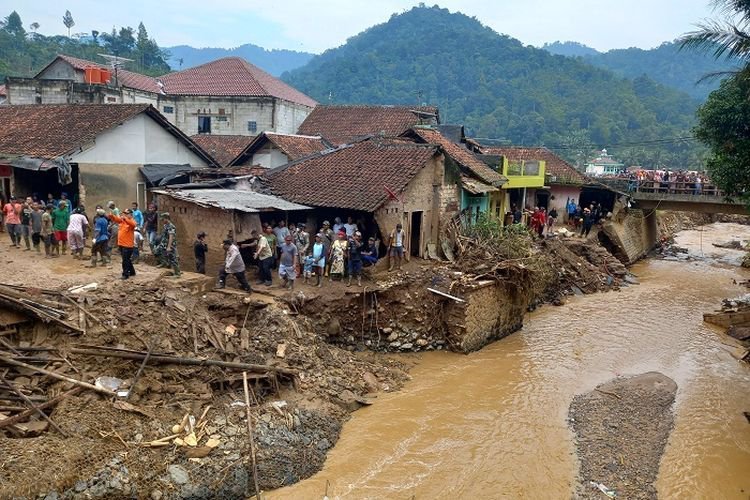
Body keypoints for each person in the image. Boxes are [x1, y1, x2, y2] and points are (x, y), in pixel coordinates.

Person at [109, 208, 137, 279]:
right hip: (121, 244)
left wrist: (125, 219)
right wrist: (111, 215)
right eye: (124, 213)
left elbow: (133, 224)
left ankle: (125, 274)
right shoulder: (122, 221)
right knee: (127, 259)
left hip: (128, 245)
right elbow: (116, 219)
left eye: (126, 213)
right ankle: (132, 272)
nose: (124, 214)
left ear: (130, 214)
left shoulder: (131, 221)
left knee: (125, 260)